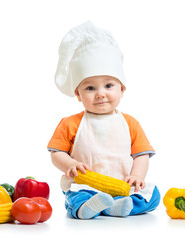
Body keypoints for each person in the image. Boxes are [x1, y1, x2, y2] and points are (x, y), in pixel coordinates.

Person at [47, 21, 160, 219]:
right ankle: (86, 208)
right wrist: (69, 164)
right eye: (90, 88)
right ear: (78, 94)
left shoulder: (130, 123)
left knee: (153, 196)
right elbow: (56, 153)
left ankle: (113, 207)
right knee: (75, 197)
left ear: (122, 89)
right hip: (85, 185)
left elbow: (141, 155)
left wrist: (137, 177)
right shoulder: (70, 123)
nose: (100, 94)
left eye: (108, 85)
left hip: (122, 186)